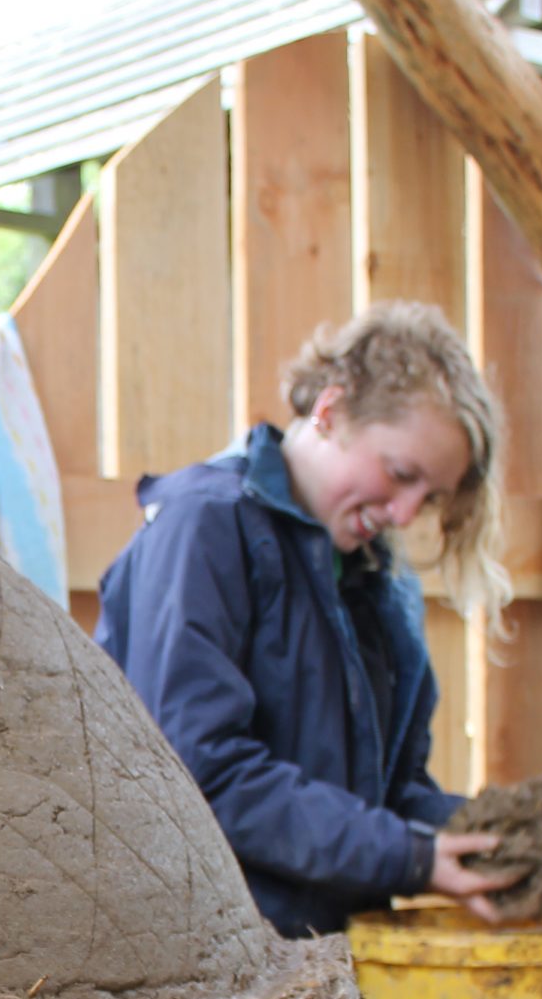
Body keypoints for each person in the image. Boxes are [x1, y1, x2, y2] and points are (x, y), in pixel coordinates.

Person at [95, 301, 517, 938]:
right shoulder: (205, 527)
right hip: (188, 963)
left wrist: (477, 836)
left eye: (428, 496)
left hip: (317, 969)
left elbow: (382, 796)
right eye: (400, 474)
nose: (405, 513)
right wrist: (410, 857)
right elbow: (199, 776)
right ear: (331, 410)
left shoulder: (378, 580)